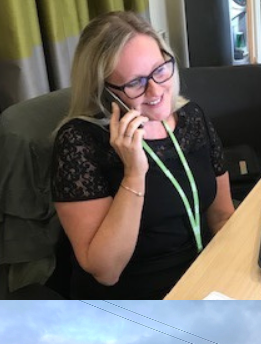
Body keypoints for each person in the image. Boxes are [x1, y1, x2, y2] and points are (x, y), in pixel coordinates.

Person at [51, 12, 235, 299]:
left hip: (202, 284)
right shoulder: (79, 143)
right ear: (104, 93)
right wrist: (134, 173)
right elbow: (107, 271)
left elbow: (222, 216)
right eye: (136, 82)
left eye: (160, 69)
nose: (156, 89)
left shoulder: (191, 118)